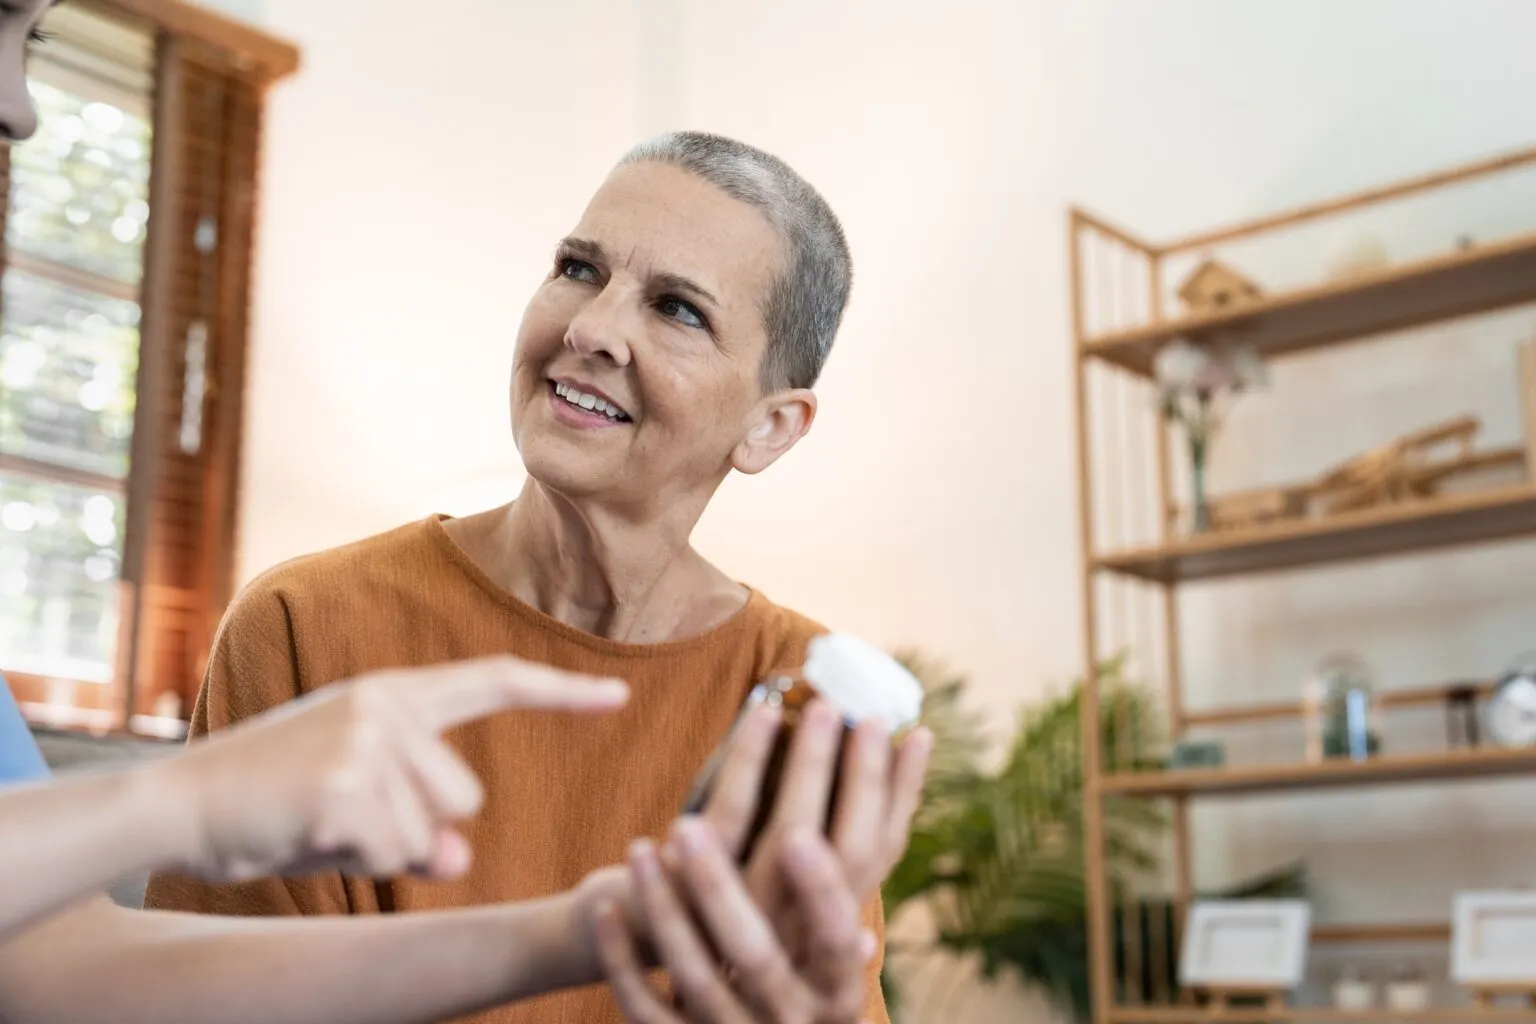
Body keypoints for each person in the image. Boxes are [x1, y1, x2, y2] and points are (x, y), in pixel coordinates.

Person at [0, 2, 926, 1020]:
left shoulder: (800, 696)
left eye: (676, 308)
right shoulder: (308, 622)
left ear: (772, 427)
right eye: (579, 267)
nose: (591, 326)